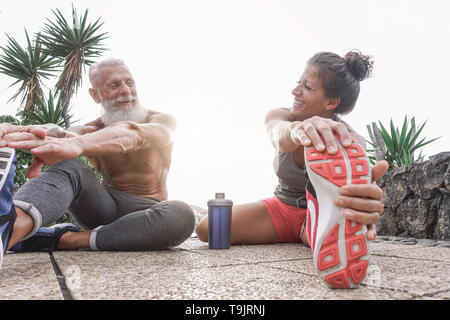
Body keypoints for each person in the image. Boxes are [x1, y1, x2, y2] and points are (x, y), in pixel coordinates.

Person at [196, 50, 388, 288]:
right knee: (206, 229)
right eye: (299, 82)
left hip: (314, 217)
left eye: (307, 86)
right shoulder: (281, 116)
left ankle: (324, 225)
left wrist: (366, 198)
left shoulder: (350, 141)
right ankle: (318, 230)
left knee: (332, 233)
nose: (295, 91)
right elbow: (277, 134)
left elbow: (360, 185)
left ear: (331, 102)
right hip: (281, 208)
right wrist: (298, 131)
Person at [0, 58, 195, 267]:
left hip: (147, 214)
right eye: (114, 85)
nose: (125, 91)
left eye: (129, 83)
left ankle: (66, 239)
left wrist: (78, 144)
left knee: (181, 215)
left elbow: (134, 134)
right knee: (71, 167)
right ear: (95, 94)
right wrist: (23, 131)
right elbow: (60, 132)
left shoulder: (161, 121)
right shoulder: (91, 130)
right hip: (103, 209)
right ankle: (9, 230)